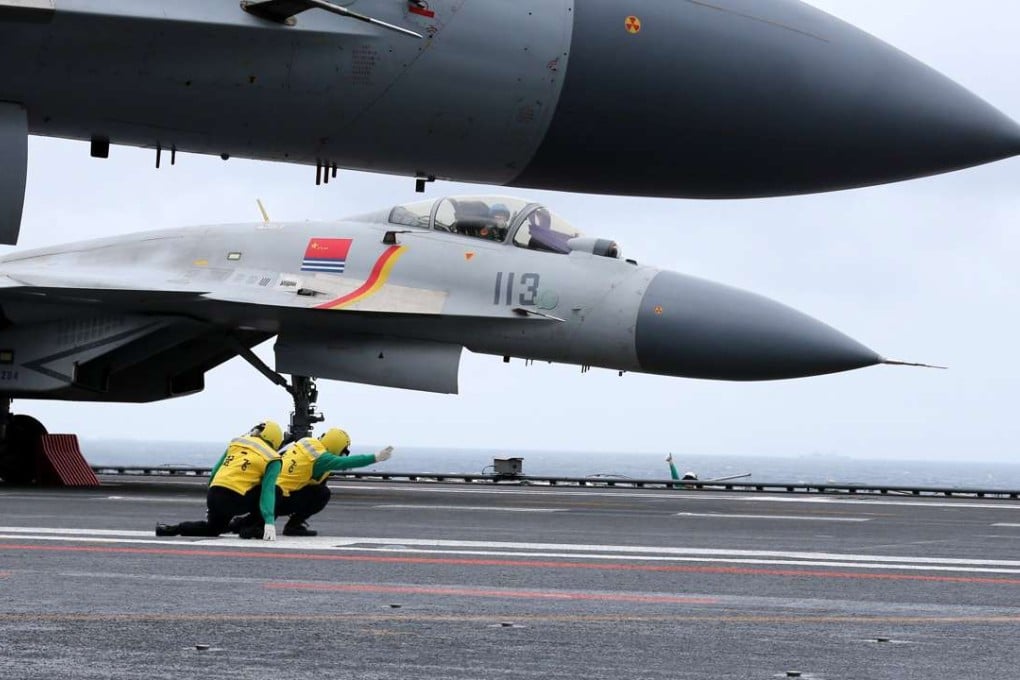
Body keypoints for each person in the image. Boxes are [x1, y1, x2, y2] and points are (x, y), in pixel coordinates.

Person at [232, 427, 393, 537]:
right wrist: (375, 457)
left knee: (318, 486)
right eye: (343, 449)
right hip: (281, 498)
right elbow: (345, 463)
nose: (343, 453)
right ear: (336, 446)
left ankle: (237, 523)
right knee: (322, 494)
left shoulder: (304, 442)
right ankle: (292, 526)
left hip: (264, 491)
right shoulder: (321, 458)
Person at [155, 420, 284, 541]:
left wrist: (211, 507)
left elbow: (215, 471)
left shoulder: (237, 442)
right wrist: (269, 521)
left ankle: (171, 529)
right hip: (235, 499)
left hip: (214, 495)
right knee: (277, 491)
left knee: (212, 529)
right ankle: (251, 527)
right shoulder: (273, 458)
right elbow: (268, 491)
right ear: (275, 440)